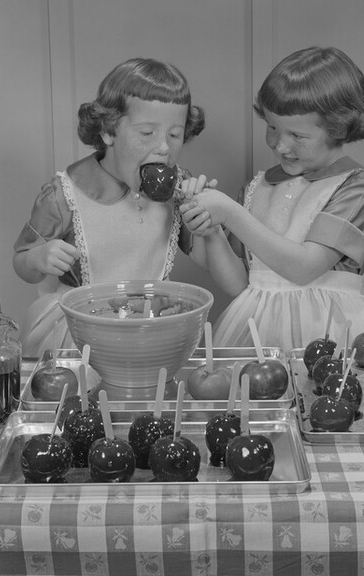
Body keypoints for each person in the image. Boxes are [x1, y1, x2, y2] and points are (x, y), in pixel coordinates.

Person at [178, 46, 364, 353]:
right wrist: (210, 233)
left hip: (330, 332)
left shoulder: (354, 185)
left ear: (338, 129)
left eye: (297, 136)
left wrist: (230, 214)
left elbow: (304, 268)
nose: (280, 144)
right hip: (257, 330)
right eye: (272, 127)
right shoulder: (257, 188)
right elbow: (239, 284)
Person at [13, 57, 216, 358]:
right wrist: (37, 258)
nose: (163, 147)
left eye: (174, 135)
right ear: (108, 132)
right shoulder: (64, 193)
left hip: (152, 329)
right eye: (147, 133)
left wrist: (208, 217)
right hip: (80, 332)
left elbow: (219, 264)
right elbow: (22, 263)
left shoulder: (179, 190)